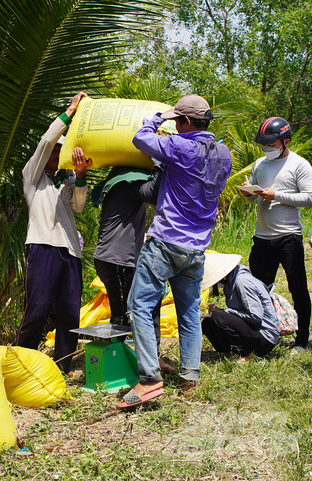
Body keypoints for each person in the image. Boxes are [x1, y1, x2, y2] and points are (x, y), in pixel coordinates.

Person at [117, 94, 232, 409]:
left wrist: (158, 118)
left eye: (178, 120)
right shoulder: (223, 154)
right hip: (197, 248)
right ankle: (189, 379)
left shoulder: (180, 147)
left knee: (139, 306)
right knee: (189, 314)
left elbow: (141, 138)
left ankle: (150, 379)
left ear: (183, 122)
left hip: (166, 243)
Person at [14, 91, 92, 376]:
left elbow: (79, 206)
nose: (56, 154)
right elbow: (46, 141)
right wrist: (69, 112)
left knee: (70, 312)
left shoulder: (68, 178)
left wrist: (80, 176)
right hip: (43, 246)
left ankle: (62, 367)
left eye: (62, 151)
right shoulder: (33, 177)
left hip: (70, 250)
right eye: (54, 152)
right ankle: (21, 362)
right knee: (37, 308)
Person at [91, 163, 173, 374]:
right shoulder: (126, 184)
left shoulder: (120, 182)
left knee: (146, 305)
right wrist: (159, 163)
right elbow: (155, 193)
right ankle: (113, 365)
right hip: (116, 260)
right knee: (122, 315)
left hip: (122, 260)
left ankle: (151, 359)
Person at [241, 117, 312, 354]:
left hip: (288, 237)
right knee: (258, 289)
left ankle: (302, 340)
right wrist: (249, 194)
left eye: (271, 144)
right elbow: (255, 195)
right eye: (264, 144)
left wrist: (278, 195)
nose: (266, 149)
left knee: (297, 288)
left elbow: (309, 199)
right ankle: (261, 338)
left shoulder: (300, 165)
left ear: (285, 141)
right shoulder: (260, 164)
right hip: (262, 237)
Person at [200, 253, 279, 361]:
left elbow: (255, 316)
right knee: (208, 323)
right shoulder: (232, 282)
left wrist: (224, 312)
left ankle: (247, 354)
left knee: (218, 317)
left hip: (264, 336)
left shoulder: (242, 282)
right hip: (253, 330)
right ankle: (233, 352)